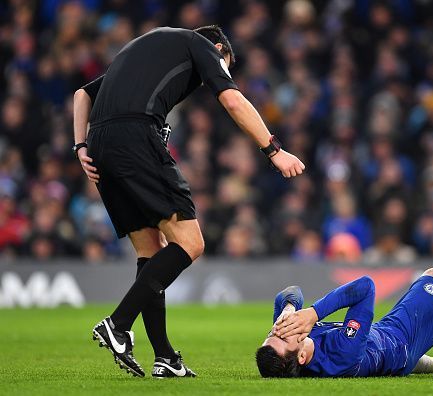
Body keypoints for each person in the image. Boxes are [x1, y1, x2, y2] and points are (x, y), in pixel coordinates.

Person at [72, 25, 305, 378]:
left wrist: (80, 146)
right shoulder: (200, 44)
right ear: (217, 48)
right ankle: (118, 324)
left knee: (151, 250)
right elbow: (231, 99)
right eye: (223, 63)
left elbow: (81, 95)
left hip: (101, 145)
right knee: (191, 243)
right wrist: (273, 151)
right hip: (136, 137)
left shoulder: (144, 50)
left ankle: (164, 356)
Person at [256, 265, 433, 377]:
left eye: (272, 331)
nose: (280, 329)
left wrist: (289, 308)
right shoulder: (341, 355)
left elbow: (289, 293)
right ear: (301, 356)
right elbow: (365, 287)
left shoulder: (290, 341)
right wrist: (313, 313)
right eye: (282, 336)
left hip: (381, 344)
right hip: (399, 344)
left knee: (380, 352)